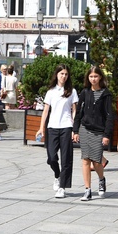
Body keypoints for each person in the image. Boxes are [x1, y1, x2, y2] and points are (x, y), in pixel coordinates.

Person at [36, 64, 79, 198]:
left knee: (66, 158)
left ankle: (62, 187)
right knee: (51, 157)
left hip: (66, 127)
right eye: (61, 74)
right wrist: (41, 128)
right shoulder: (51, 92)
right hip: (52, 127)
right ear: (57, 75)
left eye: (66, 74)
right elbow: (46, 111)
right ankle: (57, 175)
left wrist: (74, 129)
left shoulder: (72, 91)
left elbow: (74, 111)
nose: (64, 76)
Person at [73, 66, 114, 201]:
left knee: (96, 162)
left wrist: (107, 134)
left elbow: (109, 115)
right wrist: (75, 130)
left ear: (100, 77)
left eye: (96, 76)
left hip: (98, 131)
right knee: (85, 160)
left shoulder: (106, 94)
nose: (93, 79)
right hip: (85, 128)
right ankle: (87, 189)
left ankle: (101, 179)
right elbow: (79, 112)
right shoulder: (85, 92)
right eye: (91, 77)